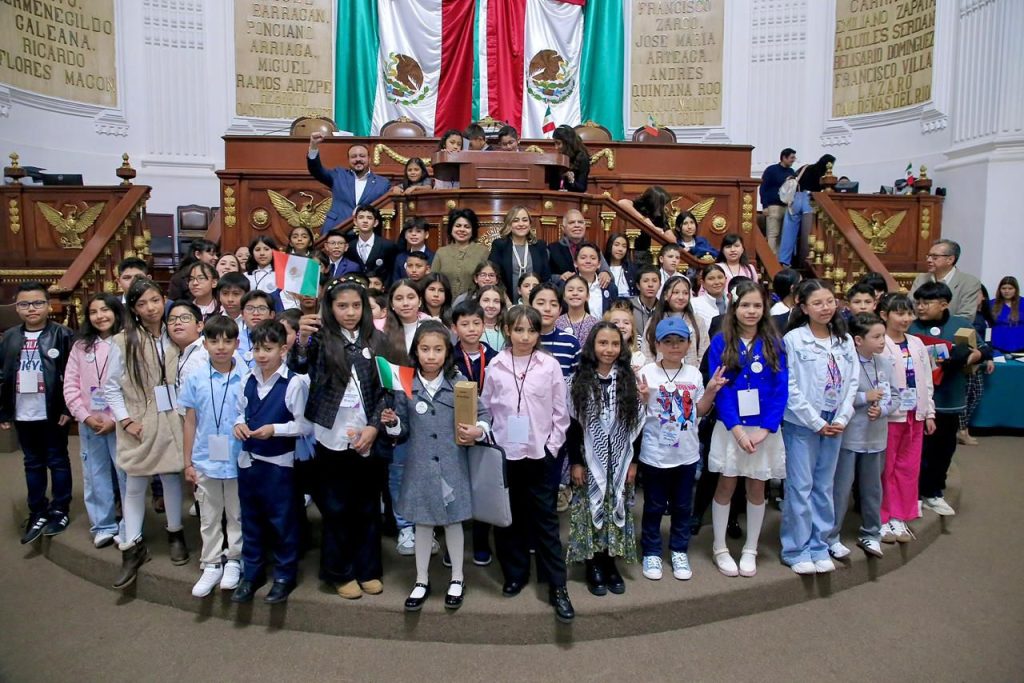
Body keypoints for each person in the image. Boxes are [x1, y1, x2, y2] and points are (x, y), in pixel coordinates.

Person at [290, 281, 388, 599]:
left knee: (368, 506)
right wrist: (301, 340)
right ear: (330, 308)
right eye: (342, 306)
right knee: (336, 507)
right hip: (331, 435)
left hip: (367, 435)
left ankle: (368, 569)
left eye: (356, 306)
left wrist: (374, 427)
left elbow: (388, 391)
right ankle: (339, 571)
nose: (350, 312)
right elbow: (298, 365)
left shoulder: (378, 340)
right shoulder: (320, 339)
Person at [383, 322, 490, 611]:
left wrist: (478, 430)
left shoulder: (458, 382)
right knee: (422, 523)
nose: (431, 356)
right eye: (425, 349)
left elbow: (483, 414)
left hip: (453, 465)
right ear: (415, 351)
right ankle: (421, 579)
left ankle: (457, 577)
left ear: (447, 353)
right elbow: (402, 428)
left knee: (454, 521)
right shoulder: (406, 384)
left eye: (438, 350)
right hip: (419, 467)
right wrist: (393, 424)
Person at [480, 305, 575, 623]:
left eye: (531, 331)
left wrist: (551, 447)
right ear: (507, 330)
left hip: (539, 453)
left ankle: (557, 585)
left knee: (545, 520)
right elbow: (486, 408)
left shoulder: (549, 365)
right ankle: (515, 573)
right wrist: (490, 441)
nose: (524, 336)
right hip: (506, 454)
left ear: (538, 333)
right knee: (509, 518)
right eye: (518, 330)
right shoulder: (496, 365)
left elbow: (561, 412)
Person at [104, 278, 189, 588]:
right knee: (135, 482)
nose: (151, 308)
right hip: (138, 418)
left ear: (163, 299)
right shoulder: (122, 341)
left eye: (155, 300)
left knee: (171, 476)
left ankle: (175, 533)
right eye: (142, 303)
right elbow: (111, 387)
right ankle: (132, 545)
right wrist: (126, 420)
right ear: (133, 309)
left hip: (171, 416)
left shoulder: (175, 333)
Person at [706, 282, 787, 578]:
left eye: (757, 306)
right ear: (734, 307)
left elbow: (781, 389)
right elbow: (721, 390)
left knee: (757, 486)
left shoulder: (774, 343)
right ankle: (719, 547)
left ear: (765, 309)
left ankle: (750, 548)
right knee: (726, 484)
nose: (751, 311)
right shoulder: (721, 341)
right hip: (732, 427)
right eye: (745, 305)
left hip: (763, 429)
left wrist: (765, 429)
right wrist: (738, 430)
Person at [637, 318, 726, 582]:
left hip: (686, 454)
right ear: (657, 345)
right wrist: (642, 399)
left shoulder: (694, 374)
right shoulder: (647, 373)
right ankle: (651, 550)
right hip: (655, 453)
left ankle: (678, 549)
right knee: (653, 505)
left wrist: (710, 391)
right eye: (668, 341)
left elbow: (699, 411)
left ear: (689, 344)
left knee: (682, 505)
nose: (674, 346)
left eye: (680, 341)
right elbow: (639, 414)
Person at [780, 279, 858, 575]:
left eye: (829, 301)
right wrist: (816, 421)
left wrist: (841, 418)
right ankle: (796, 549)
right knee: (800, 487)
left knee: (824, 486)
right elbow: (790, 386)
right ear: (803, 308)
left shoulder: (844, 339)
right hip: (803, 422)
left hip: (835, 420)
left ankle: (819, 544)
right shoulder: (794, 339)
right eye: (817, 303)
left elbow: (852, 381)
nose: (825, 308)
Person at [231, 320, 312, 603]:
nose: (261, 354)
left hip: (279, 464)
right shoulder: (248, 379)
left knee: (282, 523)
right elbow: (240, 412)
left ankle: (284, 576)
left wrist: (274, 429)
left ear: (283, 350)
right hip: (248, 461)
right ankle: (251, 575)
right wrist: (238, 425)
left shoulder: (294, 383)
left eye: (268, 348)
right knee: (250, 521)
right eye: (257, 349)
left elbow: (304, 426)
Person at [566, 322, 644, 596]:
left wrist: (633, 462)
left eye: (614, 344)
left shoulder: (629, 379)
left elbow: (636, 425)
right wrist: (576, 462)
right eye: (602, 343)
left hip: (620, 459)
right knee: (590, 511)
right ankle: (593, 565)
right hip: (588, 459)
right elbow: (573, 426)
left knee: (615, 509)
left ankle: (611, 563)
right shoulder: (578, 380)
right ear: (592, 346)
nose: (608, 349)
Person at [2, 282, 76, 544]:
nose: (31, 309)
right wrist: (4, 411)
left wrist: (68, 407)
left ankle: (60, 509)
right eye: (24, 304)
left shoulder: (63, 335)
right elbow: (2, 375)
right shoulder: (10, 337)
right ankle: (37, 510)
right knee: (32, 462)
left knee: (57, 460)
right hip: (23, 411)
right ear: (17, 308)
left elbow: (72, 376)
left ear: (48, 306)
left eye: (37, 303)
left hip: (53, 411)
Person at [178, 315, 244, 598]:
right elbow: (190, 421)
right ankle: (211, 562)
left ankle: (235, 559)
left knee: (237, 513)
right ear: (204, 344)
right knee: (209, 515)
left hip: (238, 459)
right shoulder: (195, 378)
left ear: (237, 344)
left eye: (228, 341)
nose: (221, 347)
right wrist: (188, 462)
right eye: (214, 341)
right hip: (205, 459)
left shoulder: (247, 376)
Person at [909, 282, 985, 517]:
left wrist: (969, 357)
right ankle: (914, 494)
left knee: (943, 449)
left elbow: (983, 350)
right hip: (918, 402)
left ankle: (934, 492)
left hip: (950, 399)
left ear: (944, 304)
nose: (920, 307)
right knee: (918, 451)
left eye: (926, 303)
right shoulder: (910, 326)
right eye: (918, 302)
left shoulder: (960, 325)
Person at [827, 312, 896, 561]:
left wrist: (884, 409)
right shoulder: (845, 363)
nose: (882, 341)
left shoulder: (885, 363)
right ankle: (831, 536)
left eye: (883, 336)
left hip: (876, 437)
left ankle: (871, 532)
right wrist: (864, 398)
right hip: (849, 437)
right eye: (876, 337)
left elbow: (896, 395)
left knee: (872, 489)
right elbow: (834, 396)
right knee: (841, 488)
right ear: (858, 340)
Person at [63, 293, 126, 548]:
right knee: (94, 473)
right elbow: (70, 385)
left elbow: (135, 387)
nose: (100, 316)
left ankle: (130, 525)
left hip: (121, 423)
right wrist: (85, 417)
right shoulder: (81, 346)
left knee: (126, 474)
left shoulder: (127, 341)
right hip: (90, 423)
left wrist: (116, 419)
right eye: (93, 312)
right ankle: (103, 525)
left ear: (116, 312)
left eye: (105, 310)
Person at [878, 293, 935, 544]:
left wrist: (929, 411)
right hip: (890, 415)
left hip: (916, 414)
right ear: (884, 315)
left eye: (909, 313)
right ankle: (881, 518)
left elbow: (927, 380)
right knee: (885, 468)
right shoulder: (880, 342)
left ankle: (899, 515)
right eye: (899, 313)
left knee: (908, 468)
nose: (906, 319)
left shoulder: (917, 343)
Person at [451, 301, 499, 567]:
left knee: (482, 485)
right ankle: (452, 544)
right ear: (454, 328)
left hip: (486, 427)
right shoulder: (447, 357)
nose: (471, 329)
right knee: (455, 485)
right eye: (464, 324)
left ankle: (481, 541)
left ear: (484, 326)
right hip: (454, 427)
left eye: (476, 323)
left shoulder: (496, 357)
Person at [307, 134, 391, 234]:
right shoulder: (338, 175)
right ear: (349, 160)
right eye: (353, 157)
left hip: (366, 233)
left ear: (369, 159)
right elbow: (316, 171)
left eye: (362, 156)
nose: (358, 159)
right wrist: (313, 146)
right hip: (337, 229)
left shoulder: (382, 183)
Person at [779, 154, 835, 267]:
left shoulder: (806, 167)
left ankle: (784, 260)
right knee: (809, 233)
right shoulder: (822, 174)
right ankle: (805, 261)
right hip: (810, 200)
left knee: (788, 231)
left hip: (795, 198)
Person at [644, 275, 709, 369]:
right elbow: (647, 354)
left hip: (691, 374)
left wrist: (694, 371)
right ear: (665, 295)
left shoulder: (698, 321)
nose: (681, 297)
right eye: (676, 292)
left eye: (685, 293)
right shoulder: (654, 321)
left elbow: (704, 353)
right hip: (660, 373)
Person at [909, 239, 983, 320]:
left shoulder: (969, 282)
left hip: (952, 327)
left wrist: (937, 326)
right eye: (928, 256)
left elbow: (966, 316)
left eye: (934, 257)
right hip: (920, 326)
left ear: (950, 260)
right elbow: (910, 307)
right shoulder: (921, 278)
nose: (928, 260)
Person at [489, 206, 552, 296]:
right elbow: (494, 276)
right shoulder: (499, 245)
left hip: (535, 299)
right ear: (509, 224)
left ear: (529, 224)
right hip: (507, 300)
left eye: (525, 220)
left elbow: (546, 277)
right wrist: (506, 300)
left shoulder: (539, 246)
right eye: (516, 220)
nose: (521, 224)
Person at [431, 208, 490, 298]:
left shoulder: (483, 252)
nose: (462, 230)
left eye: (467, 227)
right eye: (458, 226)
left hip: (473, 304)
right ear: (451, 228)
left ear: (473, 230)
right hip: (445, 304)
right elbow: (433, 281)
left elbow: (488, 281)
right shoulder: (441, 252)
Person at [548, 209, 611, 286]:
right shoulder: (552, 249)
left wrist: (606, 273)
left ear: (585, 226)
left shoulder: (592, 248)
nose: (577, 225)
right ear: (563, 228)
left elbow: (607, 272)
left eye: (580, 222)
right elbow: (545, 277)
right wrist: (559, 277)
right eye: (572, 222)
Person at [530, 283, 581, 378]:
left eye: (553, 304)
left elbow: (576, 381)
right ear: (530, 307)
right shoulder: (521, 340)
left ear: (560, 310)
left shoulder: (571, 343)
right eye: (541, 303)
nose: (547, 309)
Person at [759, 148, 797, 254]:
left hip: (786, 207)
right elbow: (763, 188)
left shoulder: (791, 172)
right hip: (773, 207)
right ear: (784, 157)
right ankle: (770, 259)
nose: (794, 160)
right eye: (792, 157)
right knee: (773, 234)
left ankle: (779, 259)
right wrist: (765, 206)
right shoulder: (771, 170)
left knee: (783, 235)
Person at [348, 204, 397, 285]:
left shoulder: (387, 245)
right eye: (361, 217)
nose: (365, 221)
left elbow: (391, 272)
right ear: (355, 222)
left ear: (376, 223)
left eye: (369, 218)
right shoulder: (350, 247)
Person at [617, 186, 674, 256]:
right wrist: (644, 220)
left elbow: (672, 239)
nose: (665, 207)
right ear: (655, 202)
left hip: (651, 252)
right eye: (663, 204)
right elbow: (621, 203)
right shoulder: (638, 206)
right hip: (631, 248)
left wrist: (660, 232)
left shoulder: (660, 216)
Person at [575, 241, 619, 316]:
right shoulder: (567, 286)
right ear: (575, 263)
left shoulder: (610, 288)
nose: (588, 261)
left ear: (599, 264)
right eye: (583, 258)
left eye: (593, 258)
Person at [605, 304, 650, 372]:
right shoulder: (602, 354)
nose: (621, 326)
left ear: (632, 331)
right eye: (615, 322)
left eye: (626, 323)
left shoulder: (638, 357)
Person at [557, 275, 600, 344]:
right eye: (570, 290)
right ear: (564, 296)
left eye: (580, 290)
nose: (575, 293)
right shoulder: (556, 323)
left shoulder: (595, 325)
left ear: (587, 296)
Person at [392, 217, 434, 283]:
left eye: (418, 231)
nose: (413, 234)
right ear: (405, 235)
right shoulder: (400, 258)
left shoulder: (434, 257)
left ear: (426, 235)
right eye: (410, 231)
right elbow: (396, 282)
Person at [550, 125, 590, 193]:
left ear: (568, 143)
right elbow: (552, 185)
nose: (556, 148)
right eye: (554, 143)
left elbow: (582, 188)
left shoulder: (582, 158)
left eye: (558, 143)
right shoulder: (559, 157)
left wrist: (571, 180)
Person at [991, 275, 1024, 352]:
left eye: (1010, 288)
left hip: (1020, 346)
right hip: (997, 346)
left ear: (1016, 289)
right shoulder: (992, 304)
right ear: (999, 290)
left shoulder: (1022, 303)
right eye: (1004, 288)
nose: (1006, 291)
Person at [630, 266, 661, 340]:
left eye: (654, 281)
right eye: (645, 281)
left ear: (660, 285)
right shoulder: (629, 307)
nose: (650, 285)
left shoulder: (664, 309)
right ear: (638, 286)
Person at [604, 232, 637, 297]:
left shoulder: (631, 268)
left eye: (624, 246)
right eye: (616, 245)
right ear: (610, 246)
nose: (620, 249)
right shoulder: (602, 268)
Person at [477, 285, 508, 351]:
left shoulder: (508, 327)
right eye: (486, 300)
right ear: (478, 302)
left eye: (496, 301)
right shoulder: (472, 328)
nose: (491, 305)